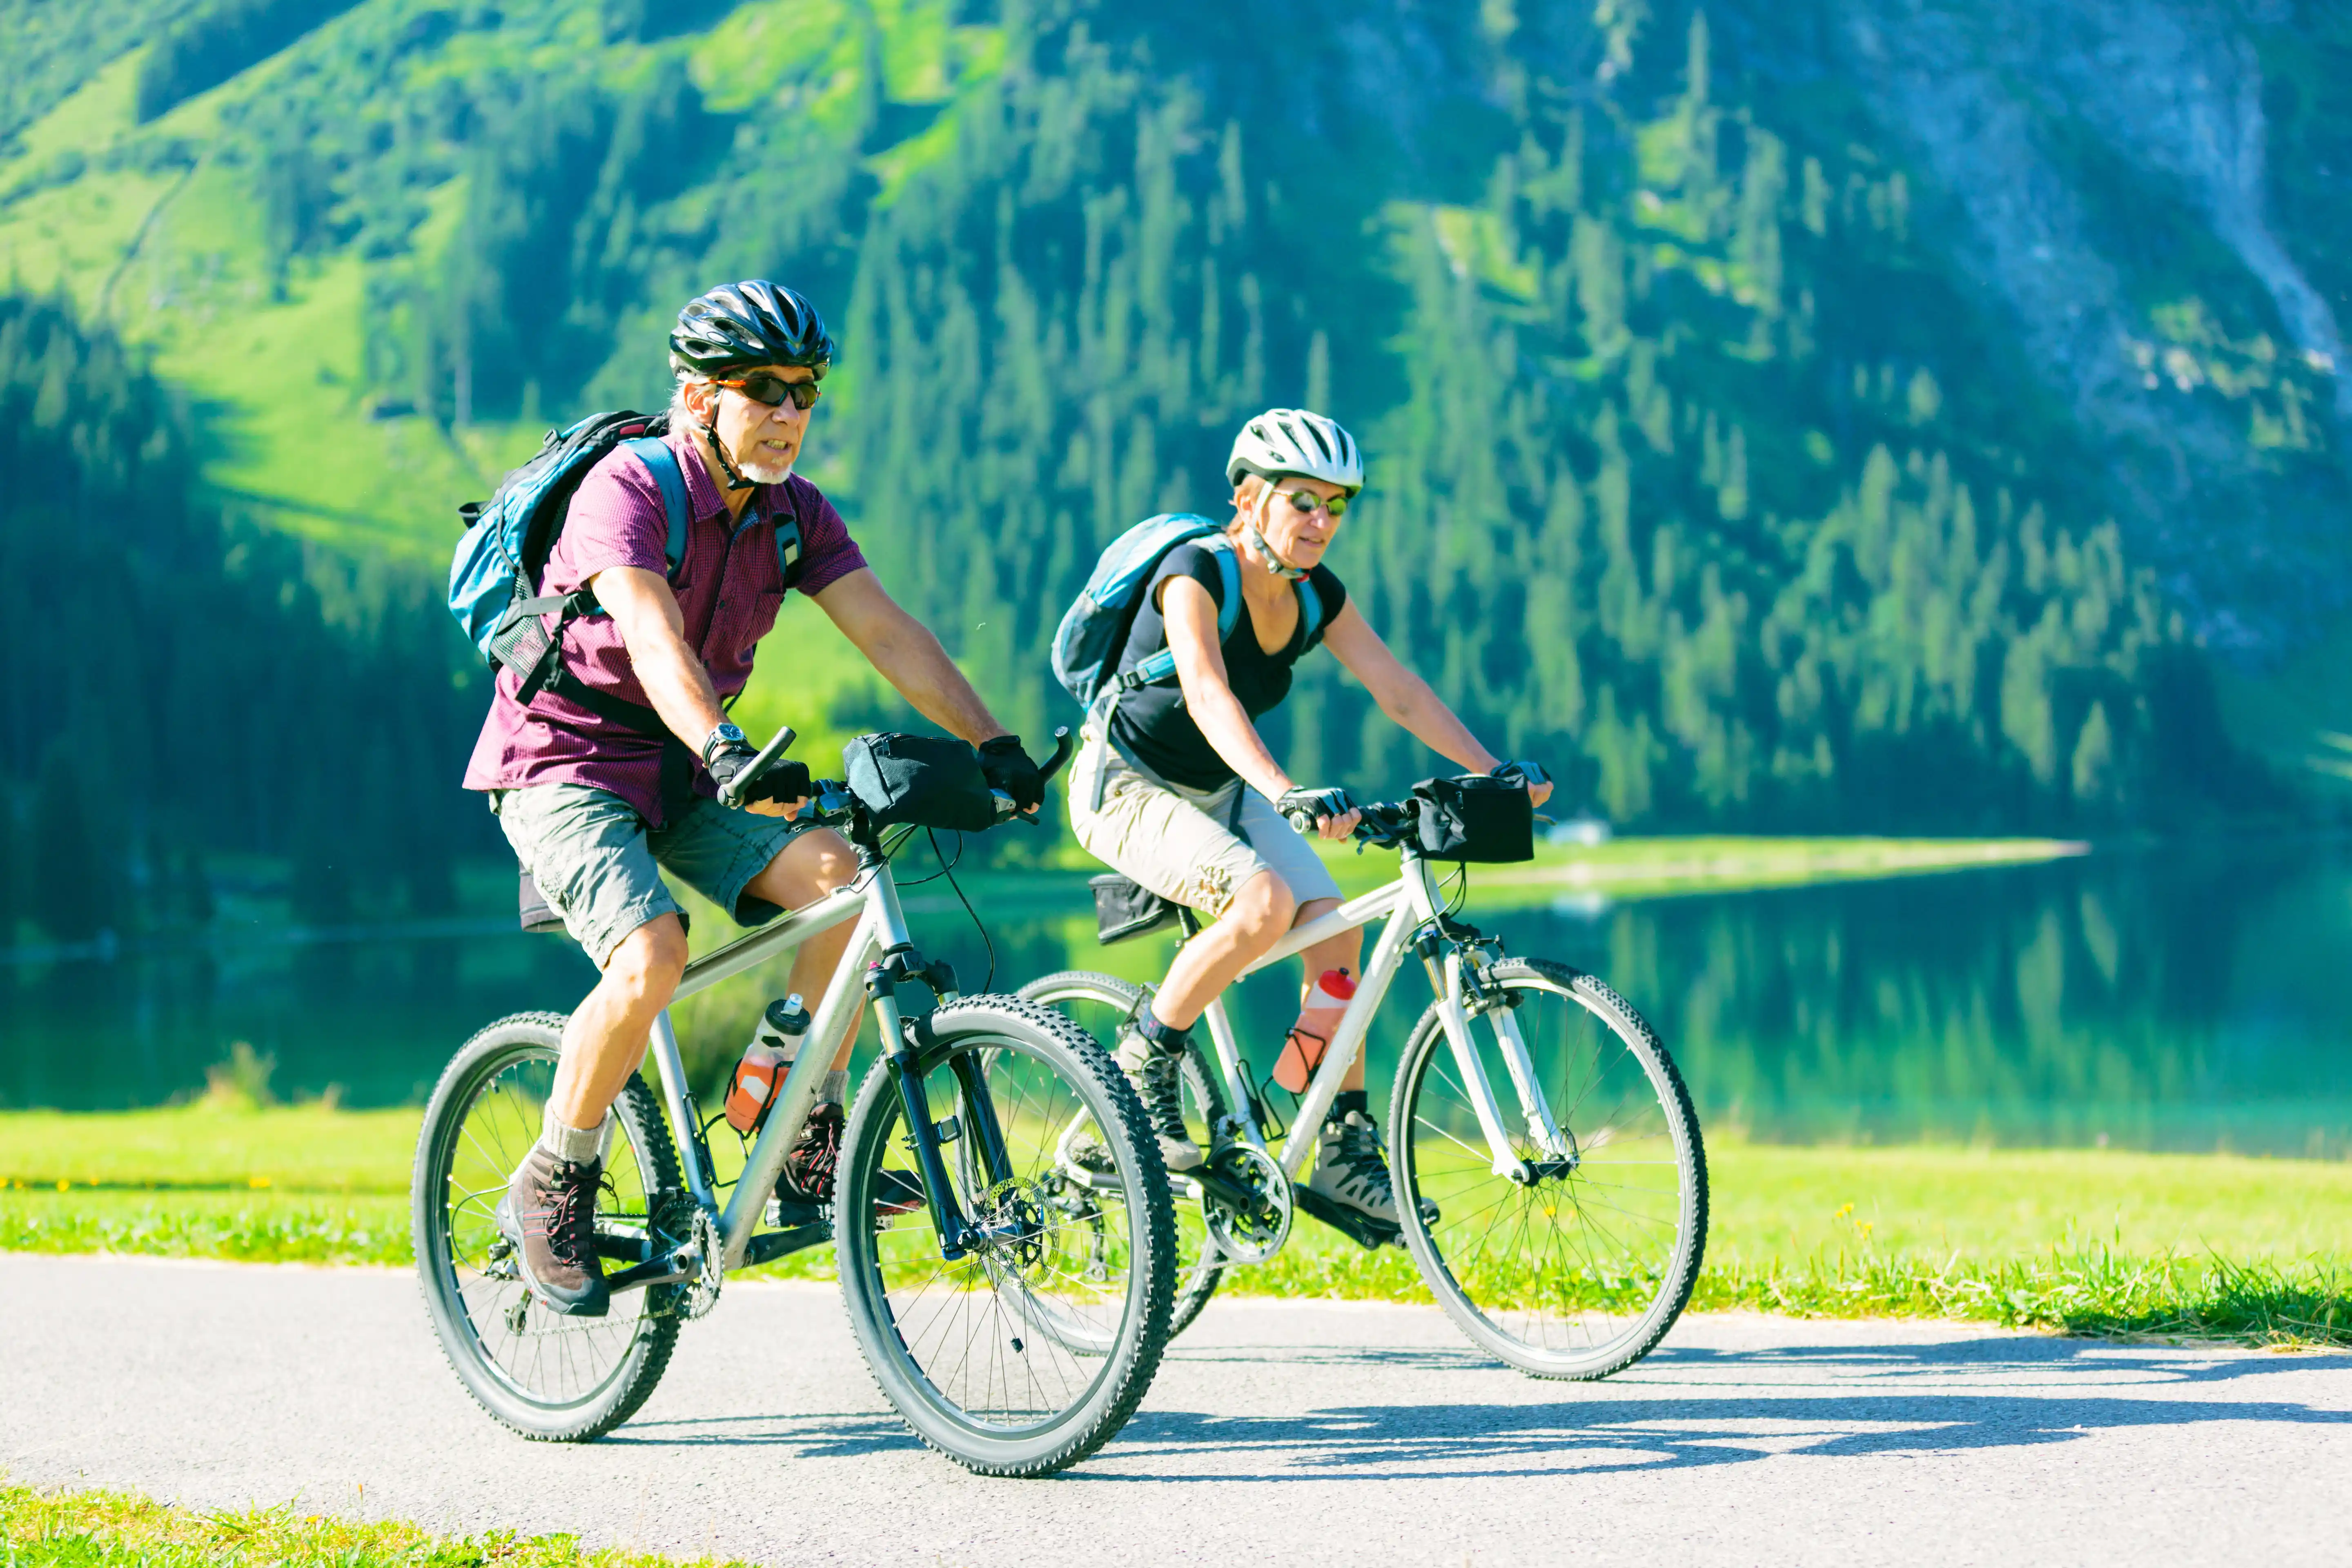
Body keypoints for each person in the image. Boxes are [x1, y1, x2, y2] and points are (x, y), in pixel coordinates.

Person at [464, 281, 1044, 1316]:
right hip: (566, 760)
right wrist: (724, 742)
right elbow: (650, 633)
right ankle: (554, 1178)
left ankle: (789, 1124)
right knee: (652, 952)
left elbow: (887, 630)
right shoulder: (626, 490)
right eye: (764, 390)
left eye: (807, 392)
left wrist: (992, 742)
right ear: (699, 397)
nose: (790, 413)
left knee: (838, 880)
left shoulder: (795, 513)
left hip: (689, 768)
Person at [1066, 408, 1553, 1226]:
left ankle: (1334, 1141)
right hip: (1126, 784)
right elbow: (1207, 691)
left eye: (1338, 505)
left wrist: (1492, 772)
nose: (1323, 522)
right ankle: (1135, 1083)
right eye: (1304, 502)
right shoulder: (1193, 572)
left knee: (1335, 934)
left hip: (1225, 788)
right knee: (1261, 905)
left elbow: (1397, 690)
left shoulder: (1316, 594)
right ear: (1252, 497)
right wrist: (1284, 787)